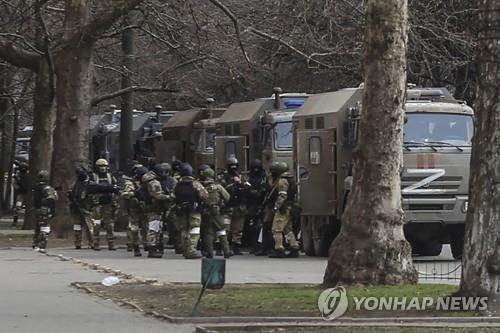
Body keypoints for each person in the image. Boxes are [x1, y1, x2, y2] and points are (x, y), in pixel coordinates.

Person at [263, 162, 300, 258]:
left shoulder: (282, 181)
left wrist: (276, 207)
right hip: (289, 207)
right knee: (288, 230)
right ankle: (294, 247)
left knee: (276, 229)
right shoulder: (291, 180)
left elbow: (282, 196)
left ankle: (279, 249)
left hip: (282, 209)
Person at [174, 162, 209, 259]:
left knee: (184, 230)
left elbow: (173, 196)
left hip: (181, 210)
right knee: (194, 229)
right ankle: (192, 250)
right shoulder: (195, 184)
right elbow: (205, 196)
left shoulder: (178, 185)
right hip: (194, 210)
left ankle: (185, 250)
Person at [199, 167, 233, 258]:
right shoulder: (218, 187)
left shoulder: (201, 186)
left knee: (208, 232)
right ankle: (226, 251)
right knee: (221, 230)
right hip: (216, 210)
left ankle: (209, 253)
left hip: (205, 211)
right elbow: (227, 197)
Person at [141, 164, 174, 258]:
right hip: (154, 208)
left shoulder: (147, 180)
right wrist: (169, 197)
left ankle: (155, 247)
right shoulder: (154, 182)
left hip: (150, 207)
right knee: (154, 229)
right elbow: (157, 195)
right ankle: (152, 249)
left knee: (154, 228)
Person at [220, 157, 251, 255]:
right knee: (225, 228)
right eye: (231, 166)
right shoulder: (222, 177)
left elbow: (248, 188)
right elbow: (221, 189)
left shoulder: (241, 177)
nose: (233, 169)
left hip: (239, 207)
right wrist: (232, 184)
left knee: (238, 229)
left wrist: (241, 183)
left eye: (235, 166)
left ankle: (236, 246)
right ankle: (222, 247)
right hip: (227, 207)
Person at [89, 159, 119, 251]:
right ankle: (96, 243)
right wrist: (107, 188)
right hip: (97, 203)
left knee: (109, 224)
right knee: (96, 224)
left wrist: (104, 188)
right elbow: (92, 188)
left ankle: (111, 243)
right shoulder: (93, 176)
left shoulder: (110, 176)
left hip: (108, 203)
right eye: (100, 166)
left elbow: (116, 188)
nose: (102, 168)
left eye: (104, 166)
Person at [121, 164, 148, 257]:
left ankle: (146, 243)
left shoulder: (148, 183)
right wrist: (134, 193)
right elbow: (125, 194)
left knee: (145, 227)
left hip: (145, 208)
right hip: (134, 208)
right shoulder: (130, 183)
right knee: (134, 227)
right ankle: (134, 244)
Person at [247, 159, 270, 255]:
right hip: (253, 204)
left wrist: (253, 191)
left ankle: (262, 247)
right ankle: (255, 246)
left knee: (263, 226)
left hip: (262, 204)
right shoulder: (250, 177)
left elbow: (264, 191)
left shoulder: (265, 178)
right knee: (253, 227)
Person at [32, 170, 58, 253]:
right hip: (45, 209)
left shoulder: (36, 187)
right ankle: (42, 245)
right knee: (45, 228)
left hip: (37, 209)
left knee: (37, 228)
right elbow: (52, 198)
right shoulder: (47, 188)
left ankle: (35, 244)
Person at [69, 165, 94, 249]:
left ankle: (92, 243)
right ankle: (78, 243)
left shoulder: (89, 183)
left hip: (87, 208)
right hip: (76, 208)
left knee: (89, 226)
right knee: (77, 226)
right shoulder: (76, 183)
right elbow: (71, 193)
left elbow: (92, 196)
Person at [12, 161, 29, 227]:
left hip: (25, 194)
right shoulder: (19, 176)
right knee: (17, 208)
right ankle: (15, 221)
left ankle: (15, 221)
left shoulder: (26, 176)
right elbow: (15, 185)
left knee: (18, 208)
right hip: (20, 194)